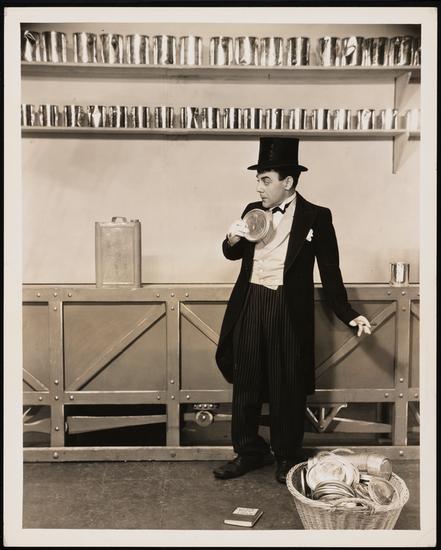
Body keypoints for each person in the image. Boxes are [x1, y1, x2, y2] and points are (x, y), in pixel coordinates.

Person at [213, 137, 371, 484]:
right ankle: (248, 451)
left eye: (265, 180)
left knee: (286, 383)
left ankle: (286, 455)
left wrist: (348, 313)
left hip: (287, 308)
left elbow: (330, 271)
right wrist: (231, 239)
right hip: (250, 303)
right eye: (258, 179)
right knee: (246, 381)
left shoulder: (317, 216)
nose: (259, 187)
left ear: (288, 182)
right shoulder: (251, 210)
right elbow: (233, 253)